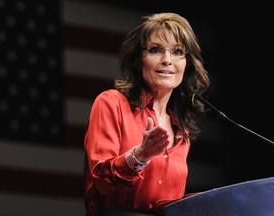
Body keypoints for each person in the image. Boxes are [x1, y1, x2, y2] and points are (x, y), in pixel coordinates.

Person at [83, 12, 210, 216]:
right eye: (155, 50)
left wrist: (206, 202)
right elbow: (100, 182)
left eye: (178, 52)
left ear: (187, 64)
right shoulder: (111, 103)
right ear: (138, 59)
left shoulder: (181, 132)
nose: (167, 60)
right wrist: (139, 156)